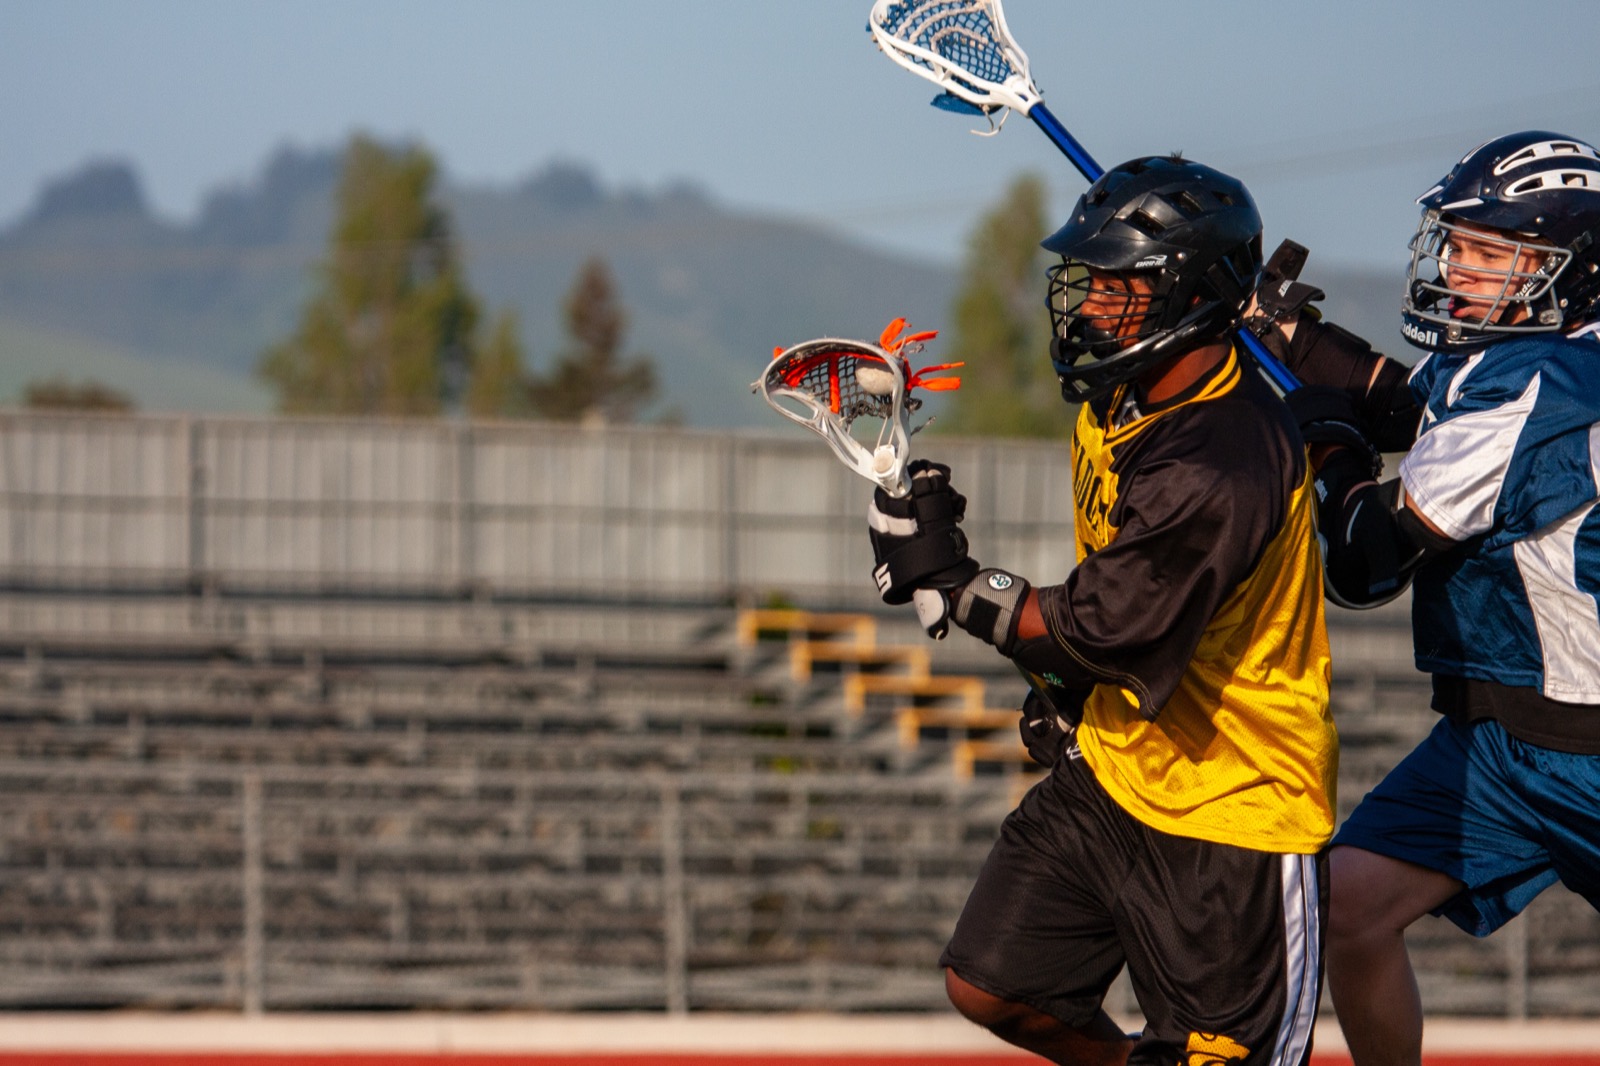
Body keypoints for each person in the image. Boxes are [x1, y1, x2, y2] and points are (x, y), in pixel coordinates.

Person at [868, 155, 1337, 1066]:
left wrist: (959, 583)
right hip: (1123, 766)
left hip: (1234, 813)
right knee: (994, 984)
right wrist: (1069, 690)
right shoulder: (1125, 396)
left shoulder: (1221, 458)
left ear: (1191, 296)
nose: (1089, 307)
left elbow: (1101, 624)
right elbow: (1116, 617)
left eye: (1120, 286)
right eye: (1093, 282)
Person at [1261, 130, 1600, 1066]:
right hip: (1498, 743)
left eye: (1487, 250)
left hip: (1590, 745)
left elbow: (1366, 563)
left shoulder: (1547, 385)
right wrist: (1291, 337)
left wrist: (1329, 454)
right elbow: (1411, 406)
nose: (1456, 265)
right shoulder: (1522, 355)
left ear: (1569, 265)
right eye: (1455, 242)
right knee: (1354, 905)